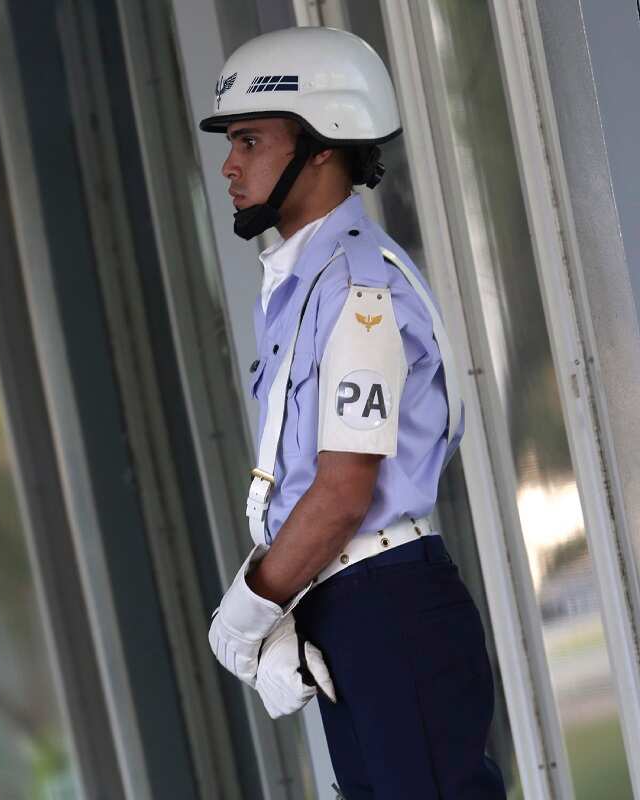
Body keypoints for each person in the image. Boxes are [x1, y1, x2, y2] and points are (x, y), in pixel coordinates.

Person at [201, 27, 506, 798]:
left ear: (322, 144)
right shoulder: (307, 282)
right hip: (350, 609)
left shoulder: (354, 290)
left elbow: (341, 493)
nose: (229, 166)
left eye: (247, 139)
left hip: (388, 610)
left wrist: (245, 612)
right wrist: (288, 609)